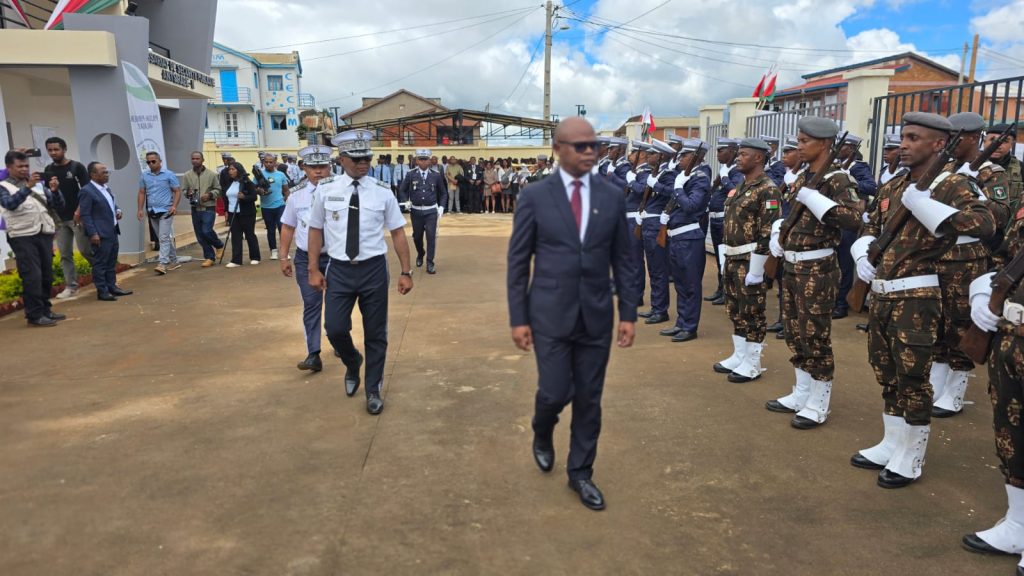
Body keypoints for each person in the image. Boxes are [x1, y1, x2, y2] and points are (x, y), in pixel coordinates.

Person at [851, 112, 993, 488]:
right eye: (904, 137)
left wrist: (925, 205)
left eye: (914, 138)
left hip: (917, 296)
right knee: (886, 372)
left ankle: (911, 456)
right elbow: (869, 225)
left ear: (938, 144)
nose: (904, 144)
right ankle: (891, 443)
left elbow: (984, 224)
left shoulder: (953, 184)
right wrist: (862, 252)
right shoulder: (894, 185)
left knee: (913, 378)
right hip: (882, 294)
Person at [507, 117, 637, 511]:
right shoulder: (535, 196)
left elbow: (624, 259)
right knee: (554, 391)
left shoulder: (612, 196)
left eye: (593, 145)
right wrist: (518, 318)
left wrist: (628, 312)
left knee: (589, 398)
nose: (589, 152)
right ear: (558, 149)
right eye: (580, 146)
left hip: (596, 315)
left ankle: (580, 473)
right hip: (549, 314)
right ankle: (542, 428)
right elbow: (518, 262)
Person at [307, 129, 414, 415]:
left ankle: (373, 388)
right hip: (340, 270)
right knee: (335, 328)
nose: (363, 163)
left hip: (373, 269)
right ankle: (353, 361)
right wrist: (313, 268)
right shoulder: (326, 189)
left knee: (376, 333)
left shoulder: (382, 191)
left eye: (367, 157)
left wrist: (406, 271)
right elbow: (315, 229)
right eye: (357, 159)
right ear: (342, 159)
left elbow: (398, 232)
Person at [764, 117, 861, 429]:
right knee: (794, 331)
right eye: (799, 140)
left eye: (805, 141)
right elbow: (792, 214)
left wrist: (816, 199)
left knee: (814, 335)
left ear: (825, 144)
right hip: (792, 266)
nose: (799, 146)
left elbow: (853, 219)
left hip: (817, 268)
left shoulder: (838, 179)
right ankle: (802, 392)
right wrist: (780, 230)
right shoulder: (804, 176)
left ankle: (818, 402)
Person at [961, 184, 1024, 572]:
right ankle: (1018, 524)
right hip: (1012, 336)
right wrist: (983, 291)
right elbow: (1005, 256)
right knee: (1010, 434)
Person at [928, 112, 1001, 418]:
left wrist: (974, 190)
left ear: (973, 138)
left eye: (957, 137)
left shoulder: (991, 173)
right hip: (937, 254)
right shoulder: (944, 168)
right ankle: (936, 383)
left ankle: (955, 391)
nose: (951, 142)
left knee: (959, 324)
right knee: (937, 322)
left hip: (967, 258)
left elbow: (999, 217)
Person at [712, 138, 781, 380]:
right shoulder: (742, 185)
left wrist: (757, 269)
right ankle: (739, 354)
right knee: (735, 309)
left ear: (758, 157)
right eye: (738, 154)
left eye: (743, 154)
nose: (738, 158)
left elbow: (768, 231)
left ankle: (752, 362)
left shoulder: (768, 189)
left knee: (752, 311)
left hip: (750, 260)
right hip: (733, 257)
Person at [279, 145, 336, 372]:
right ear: (304, 168)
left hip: (335, 257)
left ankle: (338, 339)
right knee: (311, 304)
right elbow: (288, 226)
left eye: (322, 166)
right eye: (313, 167)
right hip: (305, 258)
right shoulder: (296, 195)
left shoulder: (341, 191)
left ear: (329, 166)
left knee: (336, 303)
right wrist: (283, 256)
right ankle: (313, 353)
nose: (318, 171)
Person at [0, 150, 66, 326]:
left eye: (26, 166)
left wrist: (55, 191)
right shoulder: (4, 186)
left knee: (46, 275)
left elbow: (58, 205)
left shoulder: (38, 185)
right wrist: (27, 187)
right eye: (20, 166)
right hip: (22, 236)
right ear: (9, 168)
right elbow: (10, 204)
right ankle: (34, 315)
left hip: (43, 233)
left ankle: (45, 310)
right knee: (32, 276)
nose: (24, 169)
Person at [658, 138, 711, 342]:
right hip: (677, 237)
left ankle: (690, 327)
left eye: (685, 156)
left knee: (690, 285)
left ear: (696, 158)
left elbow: (691, 206)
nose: (680, 159)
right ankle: (681, 322)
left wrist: (678, 189)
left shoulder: (700, 179)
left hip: (689, 238)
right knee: (680, 284)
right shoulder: (685, 177)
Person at [833, 134, 877, 320]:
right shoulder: (837, 165)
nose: (838, 148)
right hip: (835, 218)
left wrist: (850, 179)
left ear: (851, 149)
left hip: (849, 220)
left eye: (842, 146)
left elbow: (871, 187)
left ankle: (841, 305)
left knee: (844, 264)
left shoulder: (858, 167)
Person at [43, 136, 92, 299]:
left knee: (86, 250)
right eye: (50, 150)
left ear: (64, 149)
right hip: (59, 219)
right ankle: (71, 286)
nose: (53, 152)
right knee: (64, 254)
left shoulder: (76, 167)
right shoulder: (48, 169)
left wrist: (80, 211)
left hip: (77, 217)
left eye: (56, 149)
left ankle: (105, 274)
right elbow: (48, 195)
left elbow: (87, 192)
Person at [635, 139, 677, 325]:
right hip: (648, 224)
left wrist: (656, 185)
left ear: (661, 156)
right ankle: (656, 307)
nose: (647, 156)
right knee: (653, 269)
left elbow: (673, 192)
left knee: (659, 269)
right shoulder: (657, 173)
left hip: (656, 226)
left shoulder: (668, 174)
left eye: (652, 154)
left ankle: (661, 310)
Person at [78, 162, 131, 301]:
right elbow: (85, 214)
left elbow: (110, 203)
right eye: (104, 172)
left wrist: (118, 210)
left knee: (111, 262)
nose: (107, 174)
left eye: (107, 172)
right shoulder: (87, 191)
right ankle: (102, 291)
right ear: (93, 175)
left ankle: (112, 287)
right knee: (100, 264)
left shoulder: (106, 188)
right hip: (100, 234)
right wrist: (93, 233)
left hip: (112, 231)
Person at [768, 137, 804, 339]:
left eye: (789, 152)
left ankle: (793, 324)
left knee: (796, 285)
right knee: (783, 282)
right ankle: (783, 320)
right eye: (784, 152)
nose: (784, 156)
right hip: (781, 233)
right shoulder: (785, 175)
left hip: (797, 237)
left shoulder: (805, 177)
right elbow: (775, 202)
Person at [703, 139, 742, 306]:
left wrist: (725, 178)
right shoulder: (726, 169)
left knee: (725, 258)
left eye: (721, 150)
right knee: (720, 258)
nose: (718, 154)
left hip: (726, 220)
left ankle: (728, 291)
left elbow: (735, 191)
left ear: (732, 152)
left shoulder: (736, 171)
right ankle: (721, 289)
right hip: (716, 220)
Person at [399, 148, 448, 274]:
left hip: (431, 211)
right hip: (416, 211)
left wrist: (442, 207)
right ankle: (420, 253)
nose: (423, 162)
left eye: (425, 159)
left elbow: (443, 193)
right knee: (417, 236)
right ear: (416, 161)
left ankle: (430, 262)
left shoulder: (436, 175)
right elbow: (402, 190)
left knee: (431, 236)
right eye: (421, 159)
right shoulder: (411, 174)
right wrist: (405, 201)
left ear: (429, 161)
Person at [137, 151, 182, 275]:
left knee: (163, 238)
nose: (151, 164)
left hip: (166, 211)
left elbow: (177, 191)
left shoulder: (169, 175)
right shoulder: (144, 176)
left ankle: (162, 263)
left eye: (153, 161)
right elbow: (141, 192)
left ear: (160, 161)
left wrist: (174, 206)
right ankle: (174, 261)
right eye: (148, 162)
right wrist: (140, 209)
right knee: (163, 238)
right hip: (152, 211)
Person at [180, 151, 224, 268]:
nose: (195, 161)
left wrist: (210, 195)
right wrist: (187, 193)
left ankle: (219, 245)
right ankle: (209, 257)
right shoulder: (187, 175)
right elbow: (184, 190)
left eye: (197, 158)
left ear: (202, 160)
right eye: (193, 159)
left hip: (208, 207)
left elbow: (219, 190)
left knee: (206, 231)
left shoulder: (212, 174)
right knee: (199, 235)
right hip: (195, 208)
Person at [625, 143, 652, 309]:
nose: (630, 155)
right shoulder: (635, 171)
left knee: (635, 259)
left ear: (642, 155)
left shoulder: (646, 172)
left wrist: (631, 181)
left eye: (633, 152)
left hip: (636, 219)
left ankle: (637, 295)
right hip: (627, 218)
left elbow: (643, 190)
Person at [223, 162, 261, 267]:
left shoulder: (247, 183)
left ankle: (255, 257)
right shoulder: (229, 183)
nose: (230, 171)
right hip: (233, 213)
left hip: (246, 213)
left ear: (239, 170)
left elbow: (254, 197)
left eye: (233, 169)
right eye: (229, 169)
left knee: (250, 235)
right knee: (235, 236)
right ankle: (236, 260)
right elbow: (226, 198)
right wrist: (226, 211)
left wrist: (244, 197)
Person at [256, 153, 289, 261]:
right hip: (266, 207)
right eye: (266, 162)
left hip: (280, 205)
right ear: (263, 162)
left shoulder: (281, 175)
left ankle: (284, 251)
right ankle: (273, 251)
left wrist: (286, 201)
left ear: (275, 163)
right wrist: (259, 191)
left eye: (271, 162)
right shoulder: (259, 174)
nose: (268, 164)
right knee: (270, 229)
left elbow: (286, 190)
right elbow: (254, 188)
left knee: (282, 228)